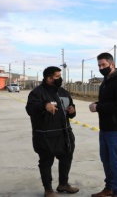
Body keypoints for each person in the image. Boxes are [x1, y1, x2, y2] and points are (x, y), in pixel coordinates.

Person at [26, 66, 79, 197]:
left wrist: (72, 110)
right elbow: (30, 109)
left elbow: (70, 110)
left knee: (66, 159)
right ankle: (48, 190)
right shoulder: (37, 93)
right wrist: (45, 105)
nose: (60, 79)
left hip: (64, 134)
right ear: (49, 78)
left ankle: (63, 184)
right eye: (57, 77)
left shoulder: (64, 92)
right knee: (46, 162)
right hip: (45, 136)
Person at [89, 52, 117, 197]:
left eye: (104, 65)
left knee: (116, 161)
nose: (101, 68)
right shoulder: (106, 81)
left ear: (112, 64)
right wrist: (97, 104)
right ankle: (109, 187)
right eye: (99, 65)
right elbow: (108, 102)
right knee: (106, 160)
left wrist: (99, 107)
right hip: (105, 127)